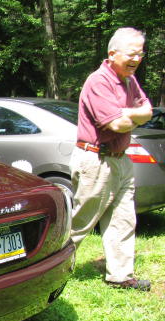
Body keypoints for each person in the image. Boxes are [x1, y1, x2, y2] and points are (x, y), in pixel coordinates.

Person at [71, 27, 153, 291]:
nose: (137, 59)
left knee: (124, 218)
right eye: (132, 54)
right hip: (97, 160)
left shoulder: (130, 80)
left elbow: (148, 111)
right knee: (81, 221)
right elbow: (116, 124)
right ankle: (54, 267)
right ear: (112, 53)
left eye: (141, 54)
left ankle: (120, 276)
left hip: (121, 160)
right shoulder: (99, 81)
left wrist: (130, 113)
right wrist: (132, 115)